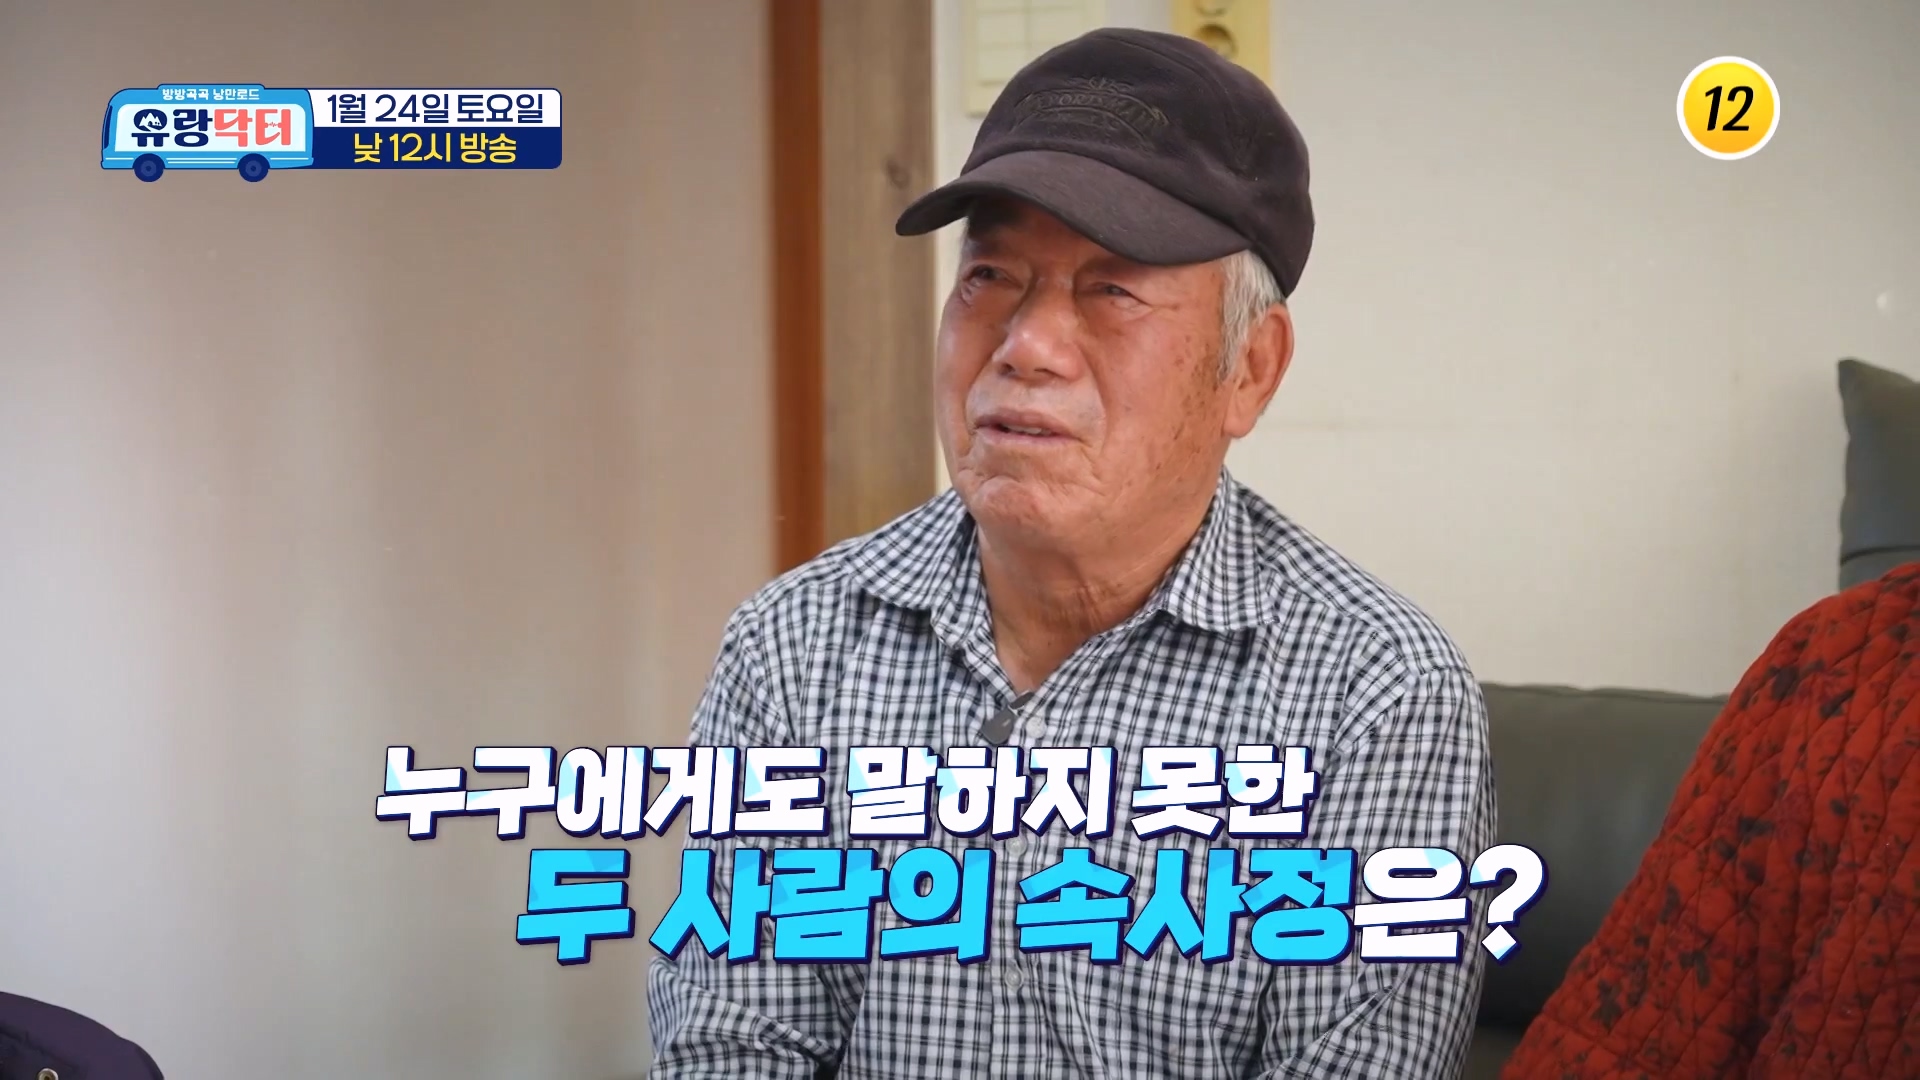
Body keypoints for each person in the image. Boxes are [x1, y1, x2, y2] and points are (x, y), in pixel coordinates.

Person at [648, 27, 1495, 1079]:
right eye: (990, 274)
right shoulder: (792, 646)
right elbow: (732, 1048)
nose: (1025, 346)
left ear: (1250, 369)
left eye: (1113, 290)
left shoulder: (1377, 693)